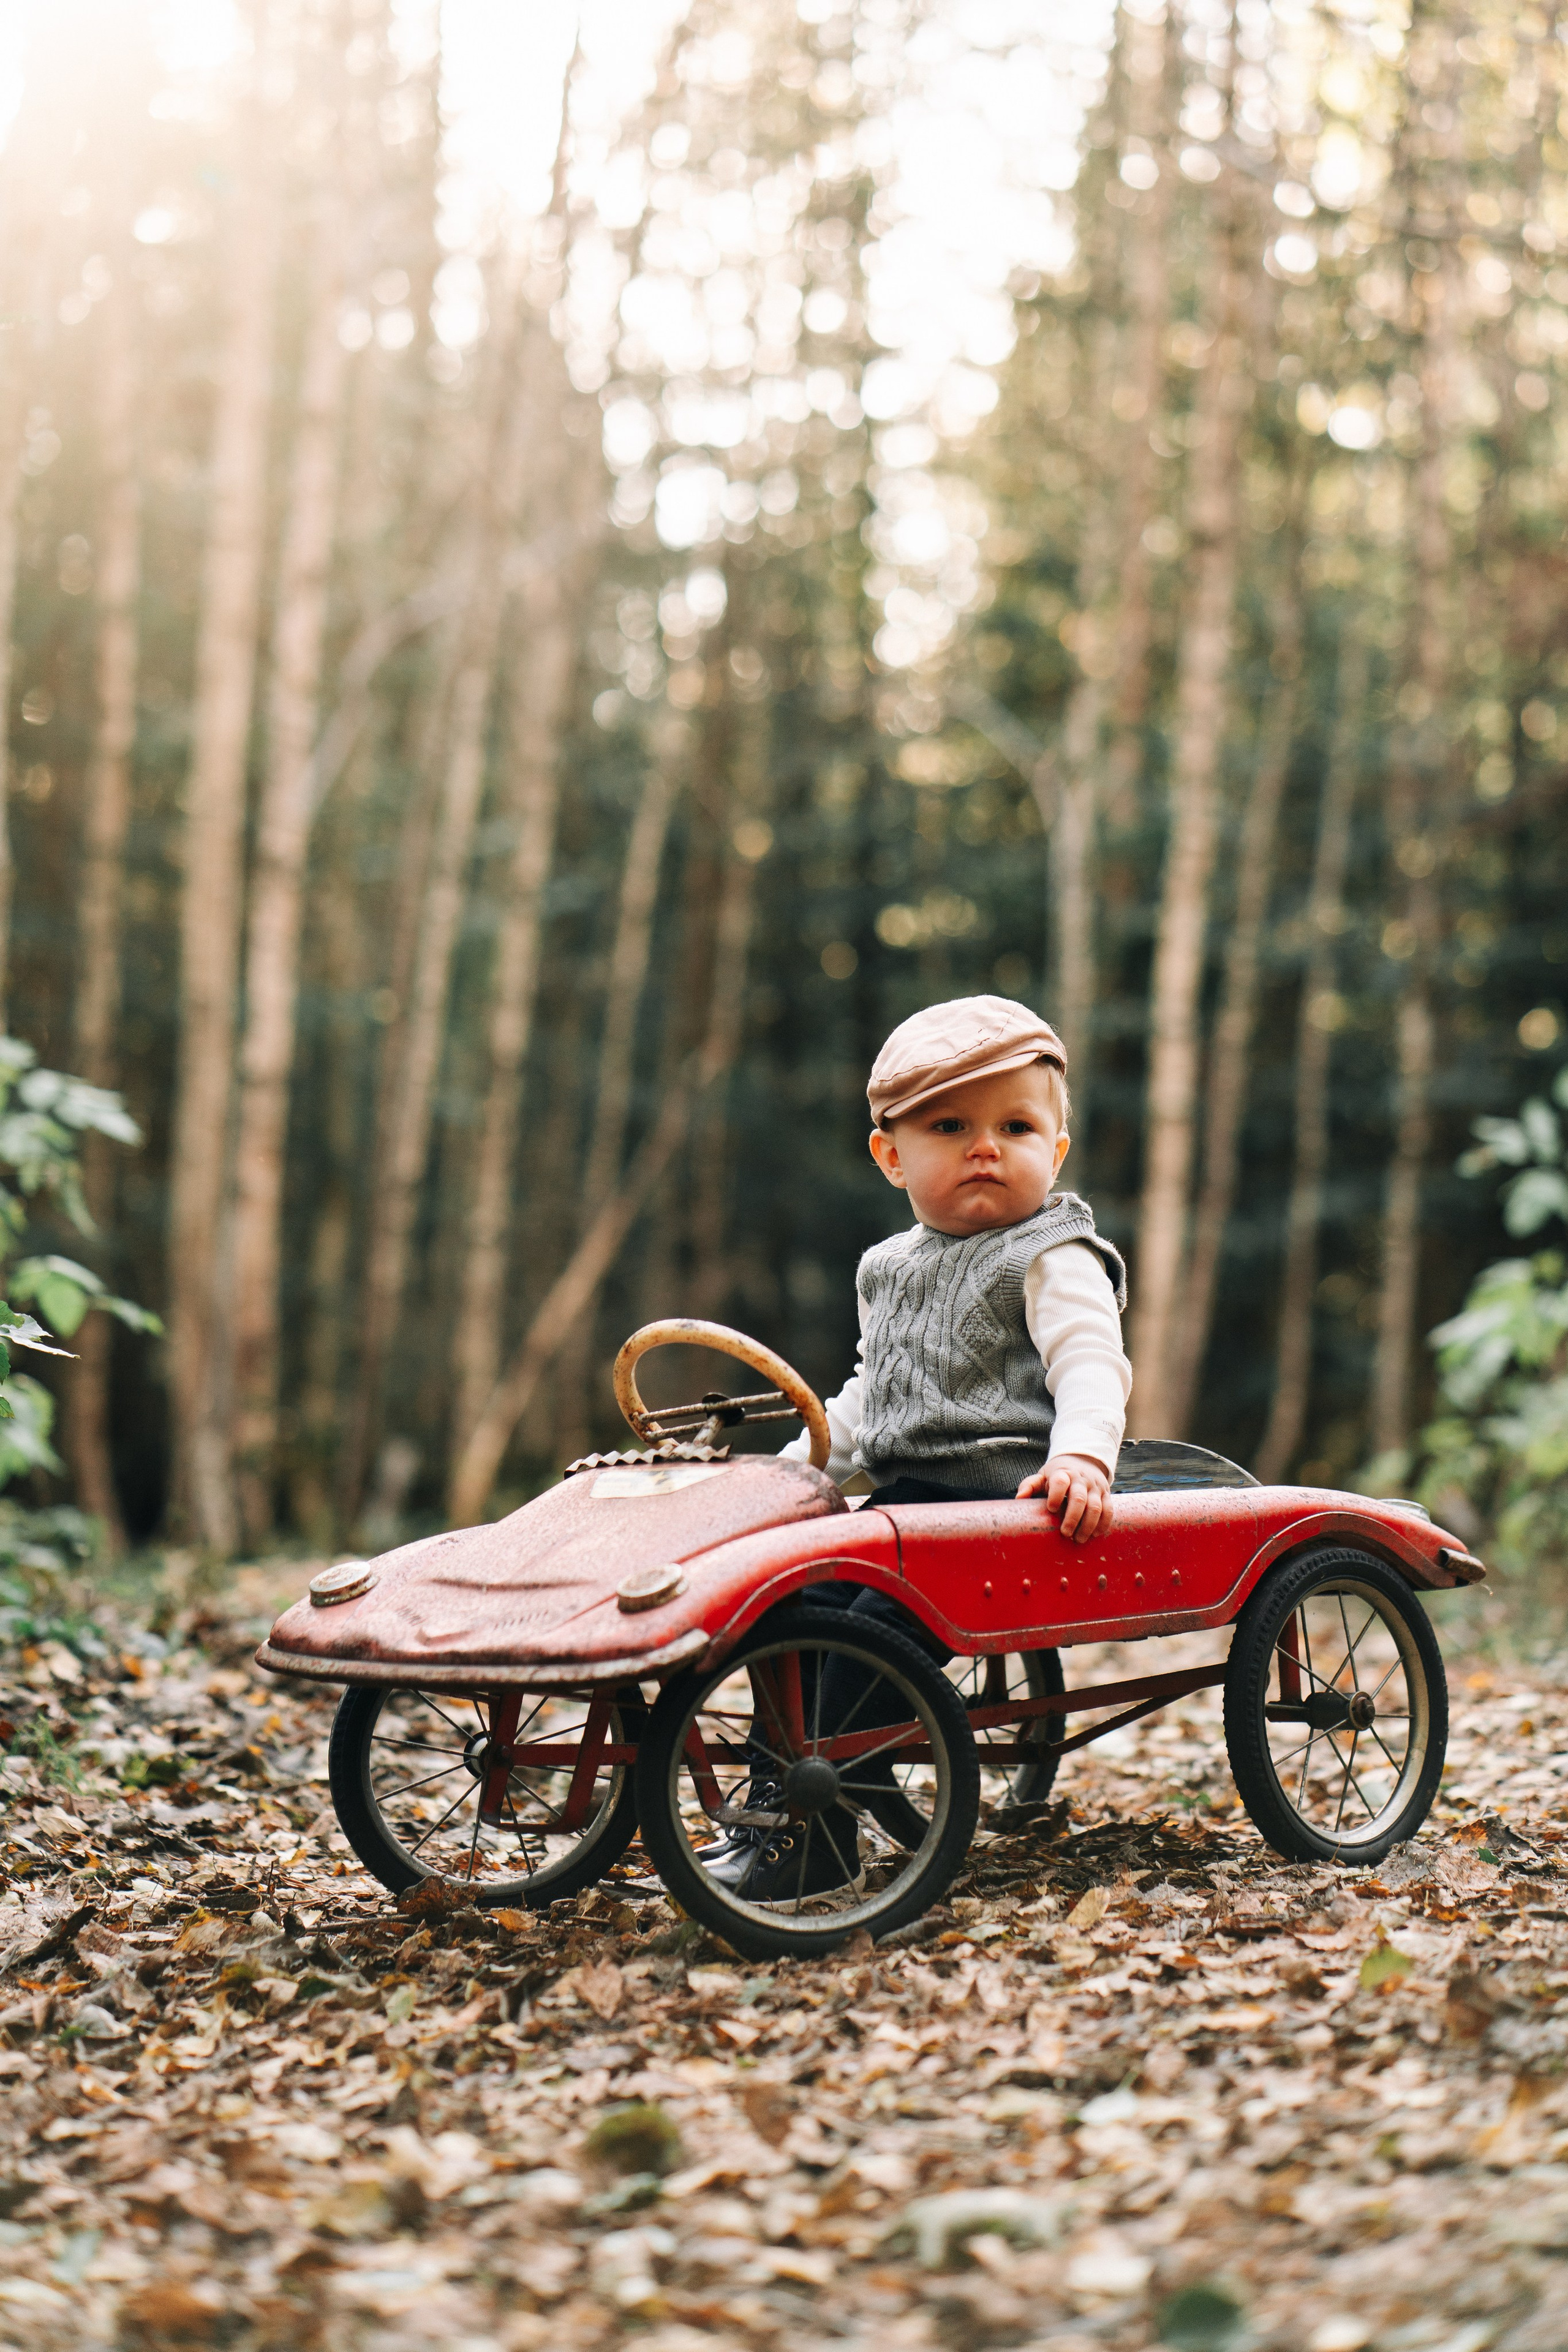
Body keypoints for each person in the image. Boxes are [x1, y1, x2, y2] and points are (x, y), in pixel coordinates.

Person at [706, 994, 1133, 1904]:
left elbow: (1091, 1362)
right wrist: (793, 1479)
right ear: (892, 1155)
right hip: (902, 1506)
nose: (987, 1146)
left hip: (998, 1506)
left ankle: (822, 1833)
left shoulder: (1053, 1253)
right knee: (789, 1614)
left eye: (1016, 1125)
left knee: (864, 1638)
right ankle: (775, 1805)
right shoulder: (890, 1267)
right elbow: (873, 1396)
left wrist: (1084, 1458)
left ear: (1055, 1152)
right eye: (951, 1125)